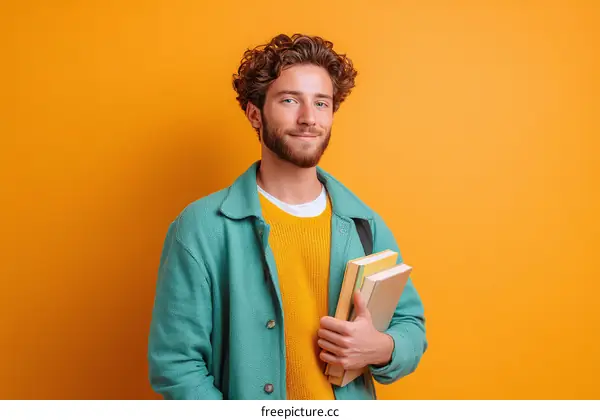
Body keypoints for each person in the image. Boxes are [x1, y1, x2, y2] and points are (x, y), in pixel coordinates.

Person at [147, 33, 427, 400]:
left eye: (321, 103)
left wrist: (382, 347)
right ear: (254, 114)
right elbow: (176, 366)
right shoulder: (201, 228)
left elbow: (411, 327)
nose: (309, 118)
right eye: (290, 100)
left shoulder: (365, 225)